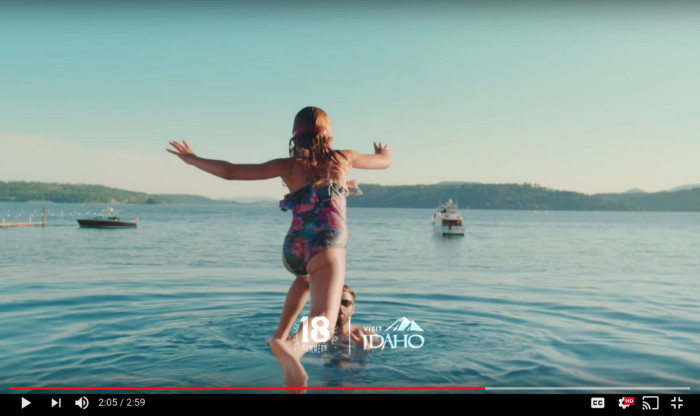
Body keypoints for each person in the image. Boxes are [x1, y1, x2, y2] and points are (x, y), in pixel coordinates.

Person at [167, 106, 393, 393]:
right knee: (323, 318)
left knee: (304, 279)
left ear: (295, 138)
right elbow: (383, 163)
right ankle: (292, 352)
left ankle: (281, 336)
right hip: (328, 246)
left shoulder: (286, 166)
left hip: (294, 249)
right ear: (329, 136)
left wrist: (192, 159)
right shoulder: (342, 158)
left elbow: (230, 172)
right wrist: (383, 153)